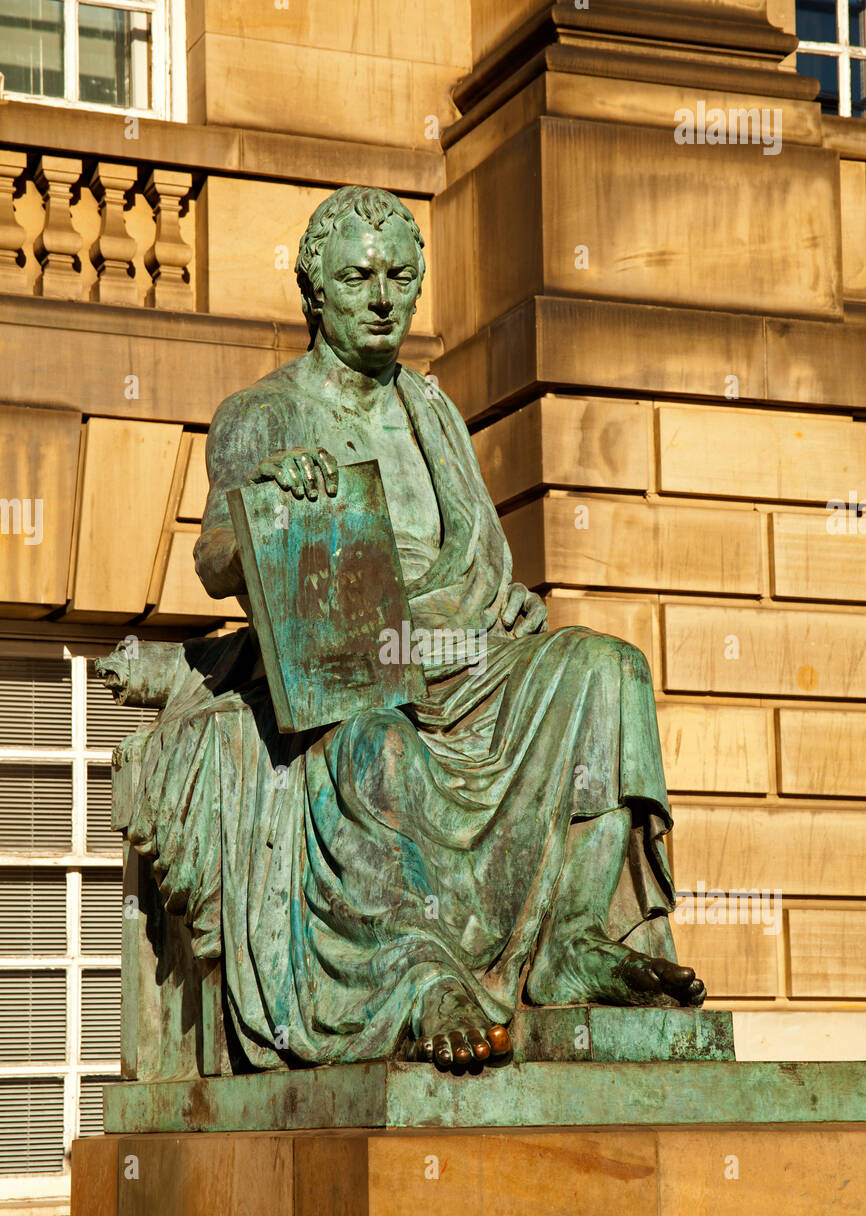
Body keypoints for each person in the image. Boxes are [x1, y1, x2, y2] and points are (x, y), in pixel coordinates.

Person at [122, 185, 705, 1075]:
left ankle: (574, 939)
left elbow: (480, 564)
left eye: (400, 276)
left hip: (467, 657)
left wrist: (502, 631)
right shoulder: (265, 414)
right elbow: (216, 559)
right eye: (359, 277)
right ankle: (416, 975)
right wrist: (272, 494)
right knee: (373, 750)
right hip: (359, 667)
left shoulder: (432, 411)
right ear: (313, 293)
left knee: (606, 668)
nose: (383, 296)